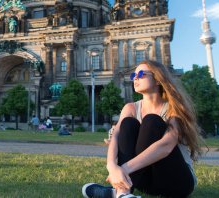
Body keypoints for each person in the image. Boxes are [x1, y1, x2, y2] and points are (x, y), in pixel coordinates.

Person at [82, 60, 203, 198]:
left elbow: (166, 146)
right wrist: (112, 167)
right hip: (145, 182)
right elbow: (115, 136)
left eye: (141, 74)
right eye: (134, 75)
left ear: (158, 79)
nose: (135, 78)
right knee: (127, 123)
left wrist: (123, 169)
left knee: (151, 121)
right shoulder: (131, 108)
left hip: (177, 181)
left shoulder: (173, 108)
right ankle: (123, 193)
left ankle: (113, 192)